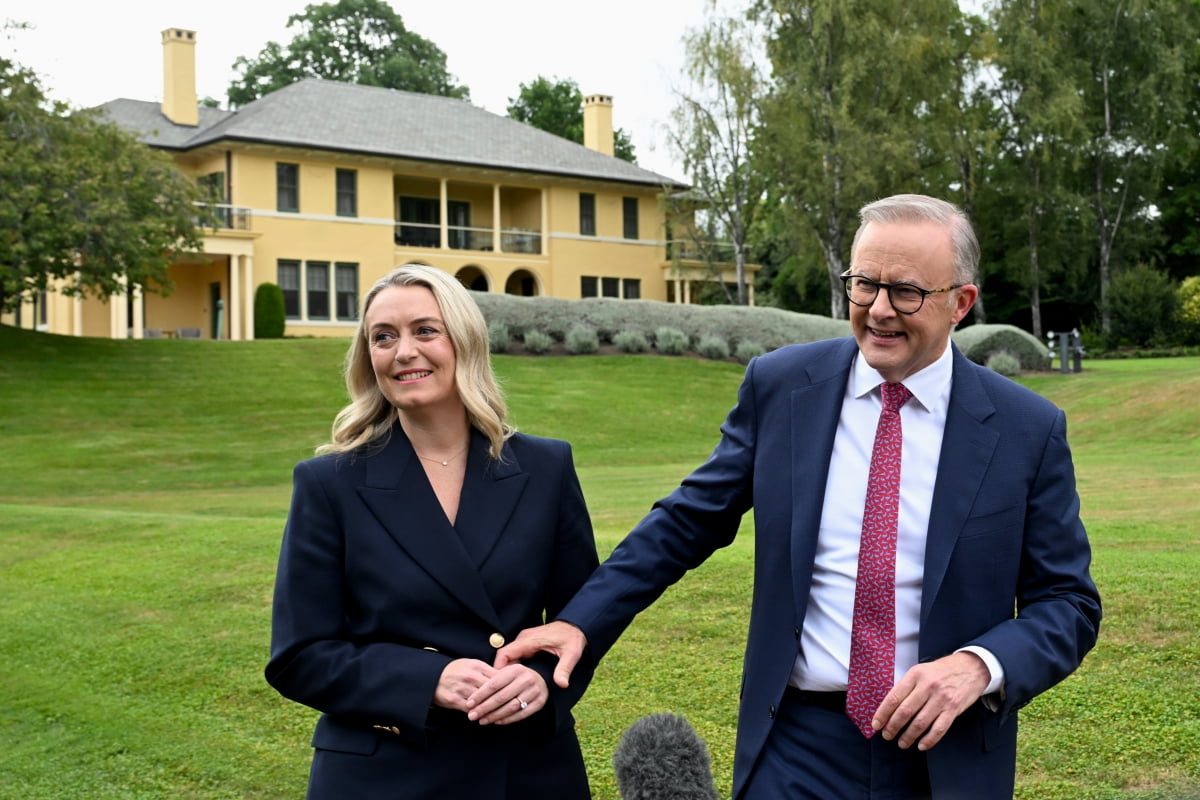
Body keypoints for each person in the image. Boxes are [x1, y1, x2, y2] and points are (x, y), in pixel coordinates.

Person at [475, 195, 1102, 799]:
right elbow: (686, 522)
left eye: (905, 291)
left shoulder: (1027, 429)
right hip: (796, 747)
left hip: (948, 757)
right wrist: (581, 621)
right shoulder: (782, 389)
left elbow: (1067, 602)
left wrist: (978, 665)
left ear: (960, 302)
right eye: (863, 284)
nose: (878, 310)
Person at [266, 264, 599, 799]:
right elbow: (299, 656)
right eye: (383, 337)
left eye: (425, 330)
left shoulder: (546, 468)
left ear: (464, 341)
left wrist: (540, 679)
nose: (403, 352)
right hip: (384, 775)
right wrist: (426, 681)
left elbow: (583, 618)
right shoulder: (329, 483)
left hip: (525, 770)